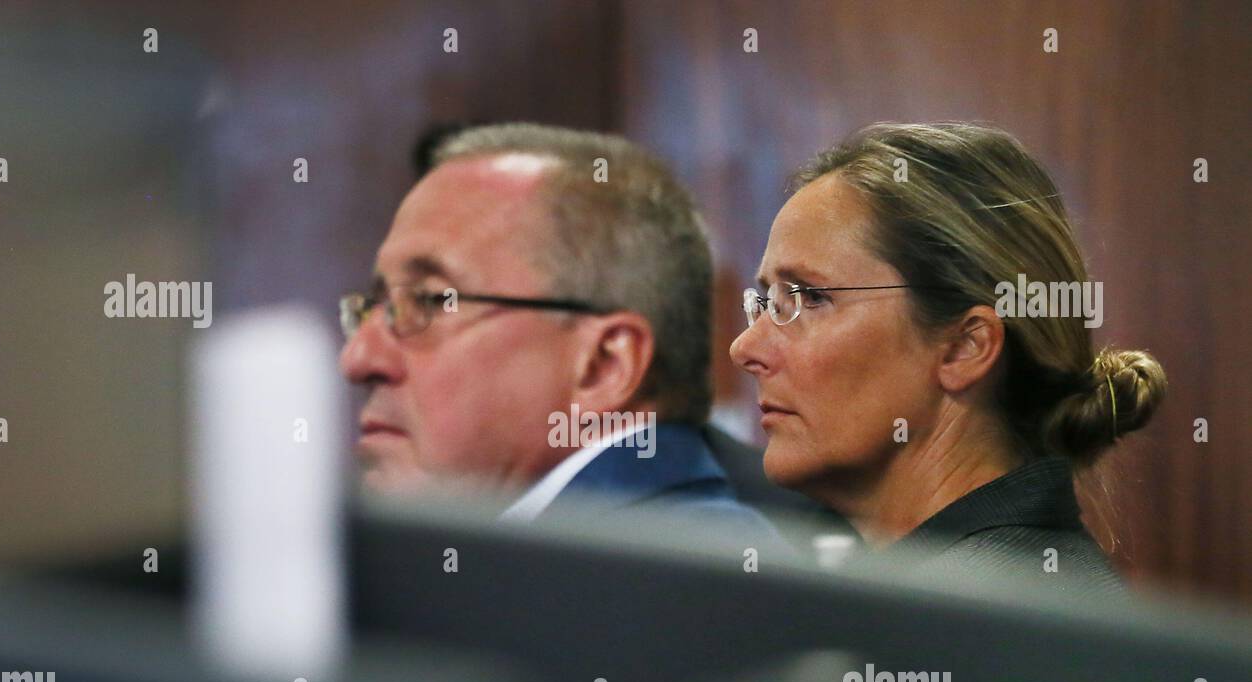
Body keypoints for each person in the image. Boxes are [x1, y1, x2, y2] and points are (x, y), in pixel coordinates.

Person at [730, 122, 1167, 592]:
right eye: (768, 302)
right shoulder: (936, 599)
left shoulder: (978, 628)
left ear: (965, 348)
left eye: (810, 298)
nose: (744, 349)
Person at [338, 122, 790, 544]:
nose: (358, 358)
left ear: (604, 365)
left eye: (430, 301)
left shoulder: (677, 591)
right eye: (372, 308)